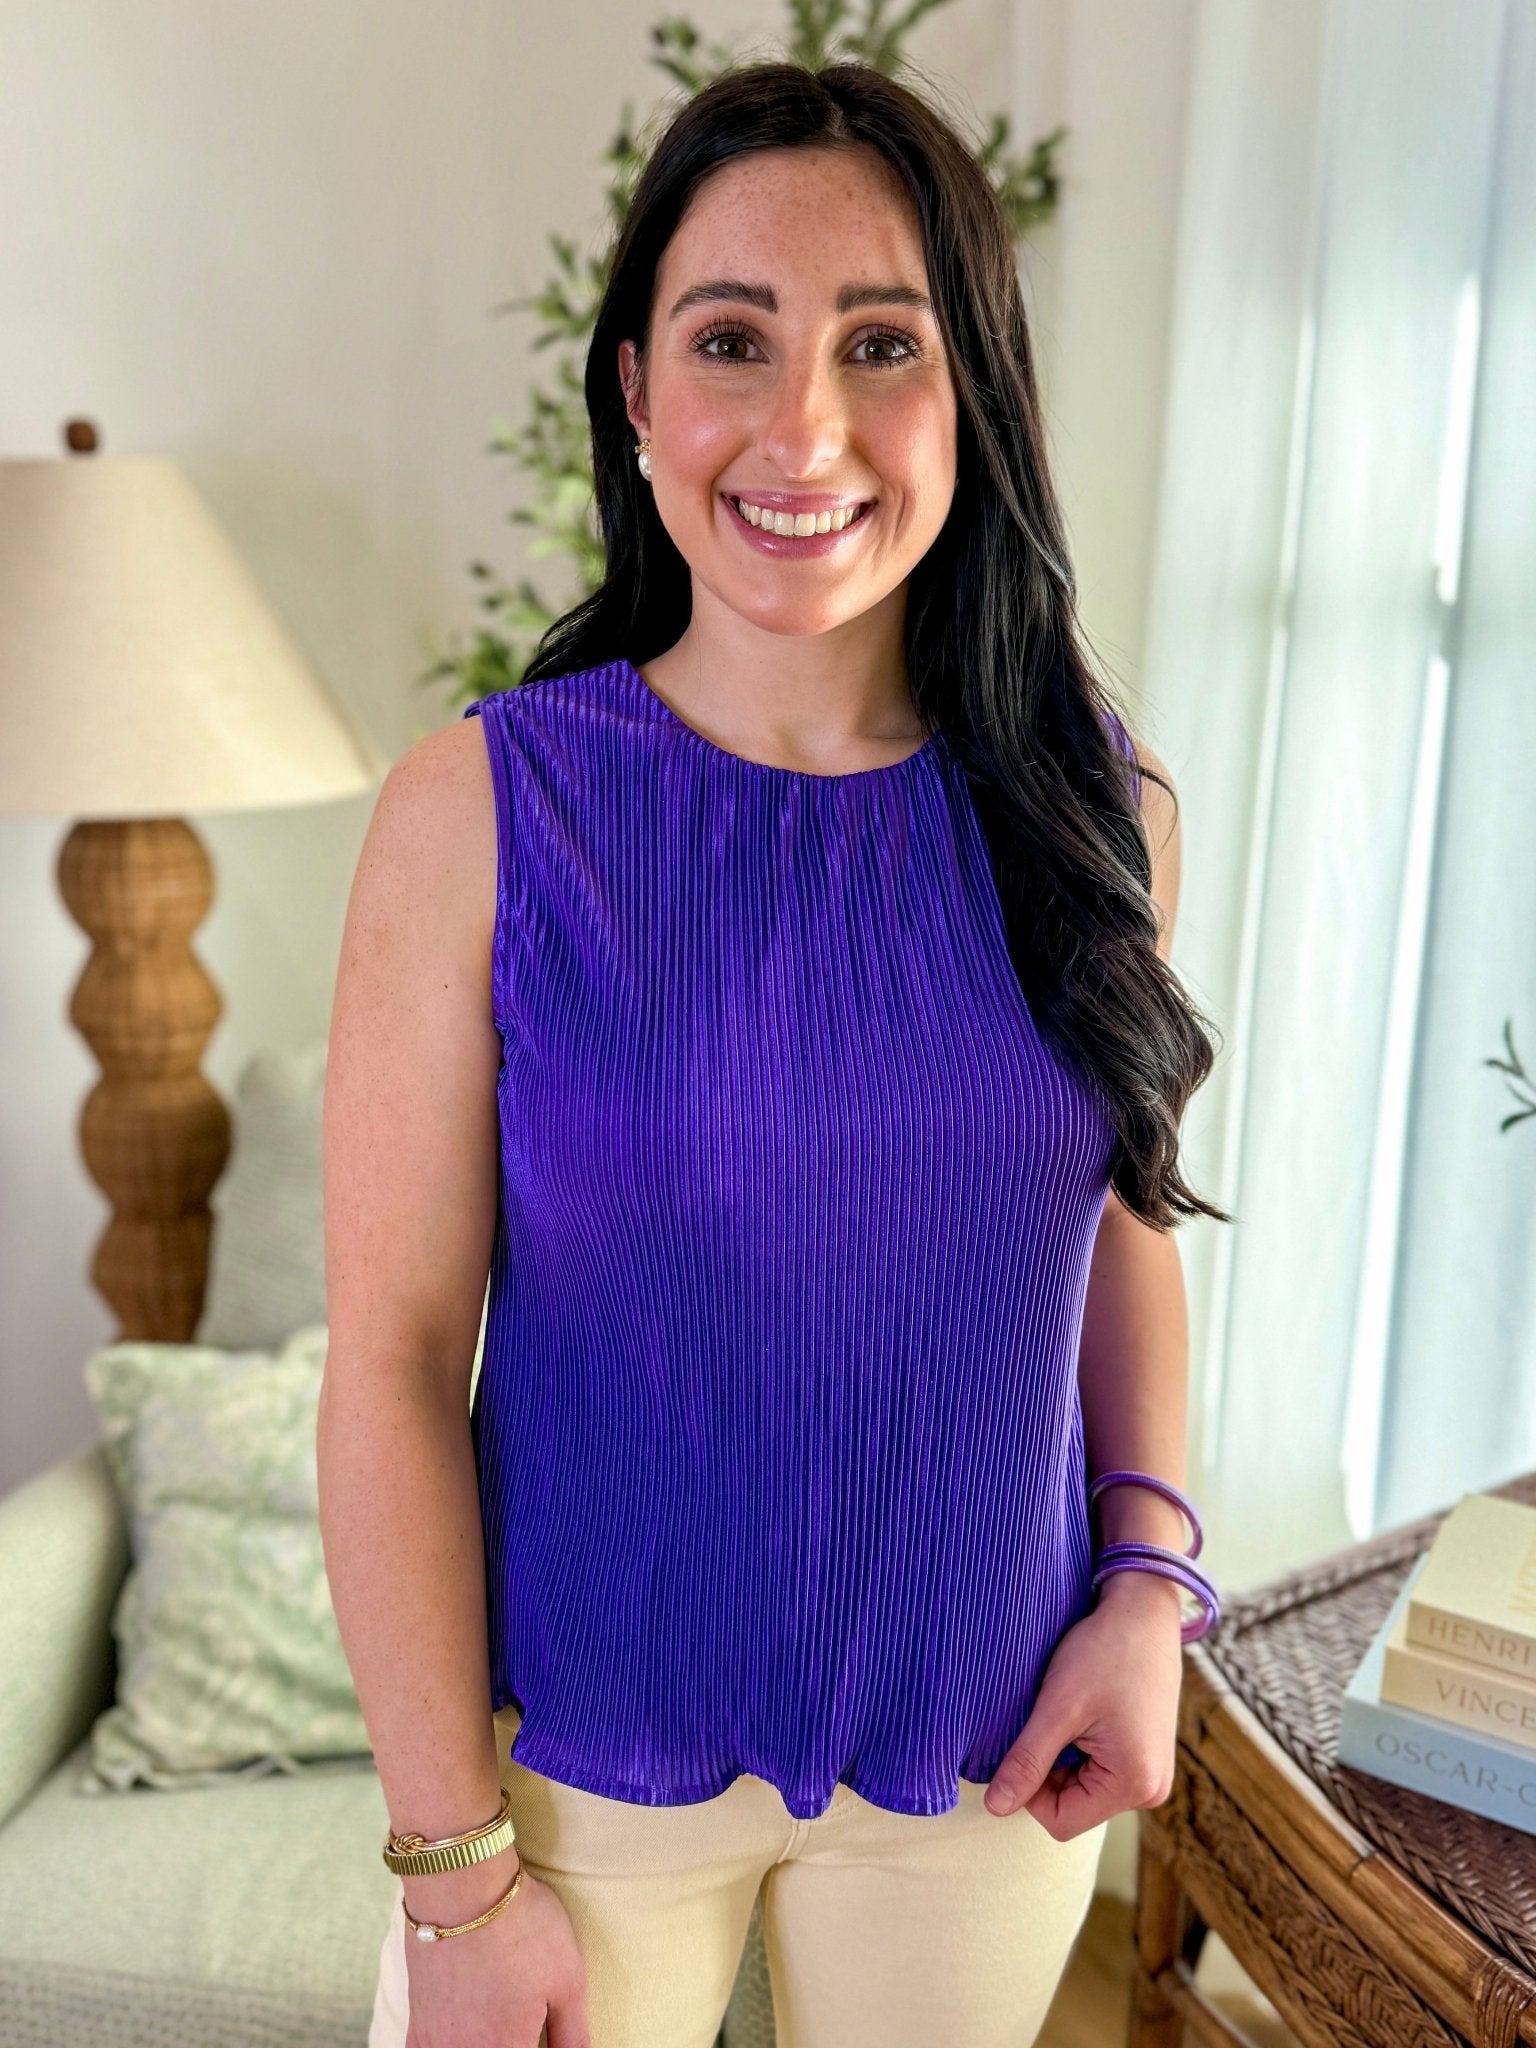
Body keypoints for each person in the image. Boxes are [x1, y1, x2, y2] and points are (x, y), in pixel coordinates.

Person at [316, 55, 1229, 2048]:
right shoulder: (479, 815)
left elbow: (1116, 1225)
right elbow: (388, 1360)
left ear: (973, 397)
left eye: (882, 344)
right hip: (571, 1787)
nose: (804, 424)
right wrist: (453, 1880)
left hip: (987, 1773)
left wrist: (1149, 1586)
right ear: (639, 392)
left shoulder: (1102, 810)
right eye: (734, 338)